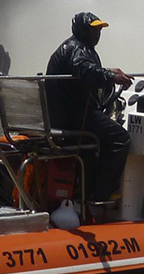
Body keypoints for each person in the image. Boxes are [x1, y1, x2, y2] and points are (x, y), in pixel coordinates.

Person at [44, 11, 132, 205]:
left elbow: (80, 69)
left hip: (62, 115)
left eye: (99, 30)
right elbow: (84, 69)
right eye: (93, 30)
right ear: (81, 30)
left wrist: (108, 71)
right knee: (120, 138)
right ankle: (101, 194)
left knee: (98, 139)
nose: (97, 34)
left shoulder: (72, 47)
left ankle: (86, 189)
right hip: (74, 117)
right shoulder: (77, 48)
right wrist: (111, 77)